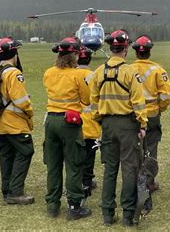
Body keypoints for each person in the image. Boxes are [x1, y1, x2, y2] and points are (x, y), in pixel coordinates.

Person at [89, 29, 147, 226]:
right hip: (127, 126)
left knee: (110, 169)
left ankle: (107, 213)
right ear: (125, 49)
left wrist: (100, 119)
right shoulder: (131, 72)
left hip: (107, 125)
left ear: (110, 48)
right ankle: (128, 214)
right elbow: (139, 102)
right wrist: (143, 124)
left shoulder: (98, 73)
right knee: (129, 169)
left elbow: (93, 102)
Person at [43, 37, 92, 220]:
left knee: (53, 165)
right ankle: (74, 205)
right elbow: (87, 99)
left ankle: (53, 204)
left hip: (51, 121)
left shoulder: (48, 73)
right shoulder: (79, 74)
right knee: (74, 164)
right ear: (74, 56)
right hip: (69, 123)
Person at [0, 37, 35, 205]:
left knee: (6, 155)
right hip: (14, 123)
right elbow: (21, 100)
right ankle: (15, 191)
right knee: (25, 151)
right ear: (14, 53)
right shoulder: (13, 73)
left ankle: (6, 189)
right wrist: (30, 111)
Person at [131, 35, 170, 192]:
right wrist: (159, 108)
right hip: (152, 115)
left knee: (134, 148)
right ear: (150, 52)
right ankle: (149, 181)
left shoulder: (128, 70)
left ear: (136, 53)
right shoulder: (158, 70)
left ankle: (134, 179)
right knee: (151, 148)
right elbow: (166, 96)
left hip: (133, 115)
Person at [76, 45, 101, 193]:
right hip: (90, 120)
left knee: (74, 155)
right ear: (90, 59)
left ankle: (75, 180)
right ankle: (87, 180)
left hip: (72, 120)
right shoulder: (94, 76)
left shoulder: (70, 74)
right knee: (89, 153)